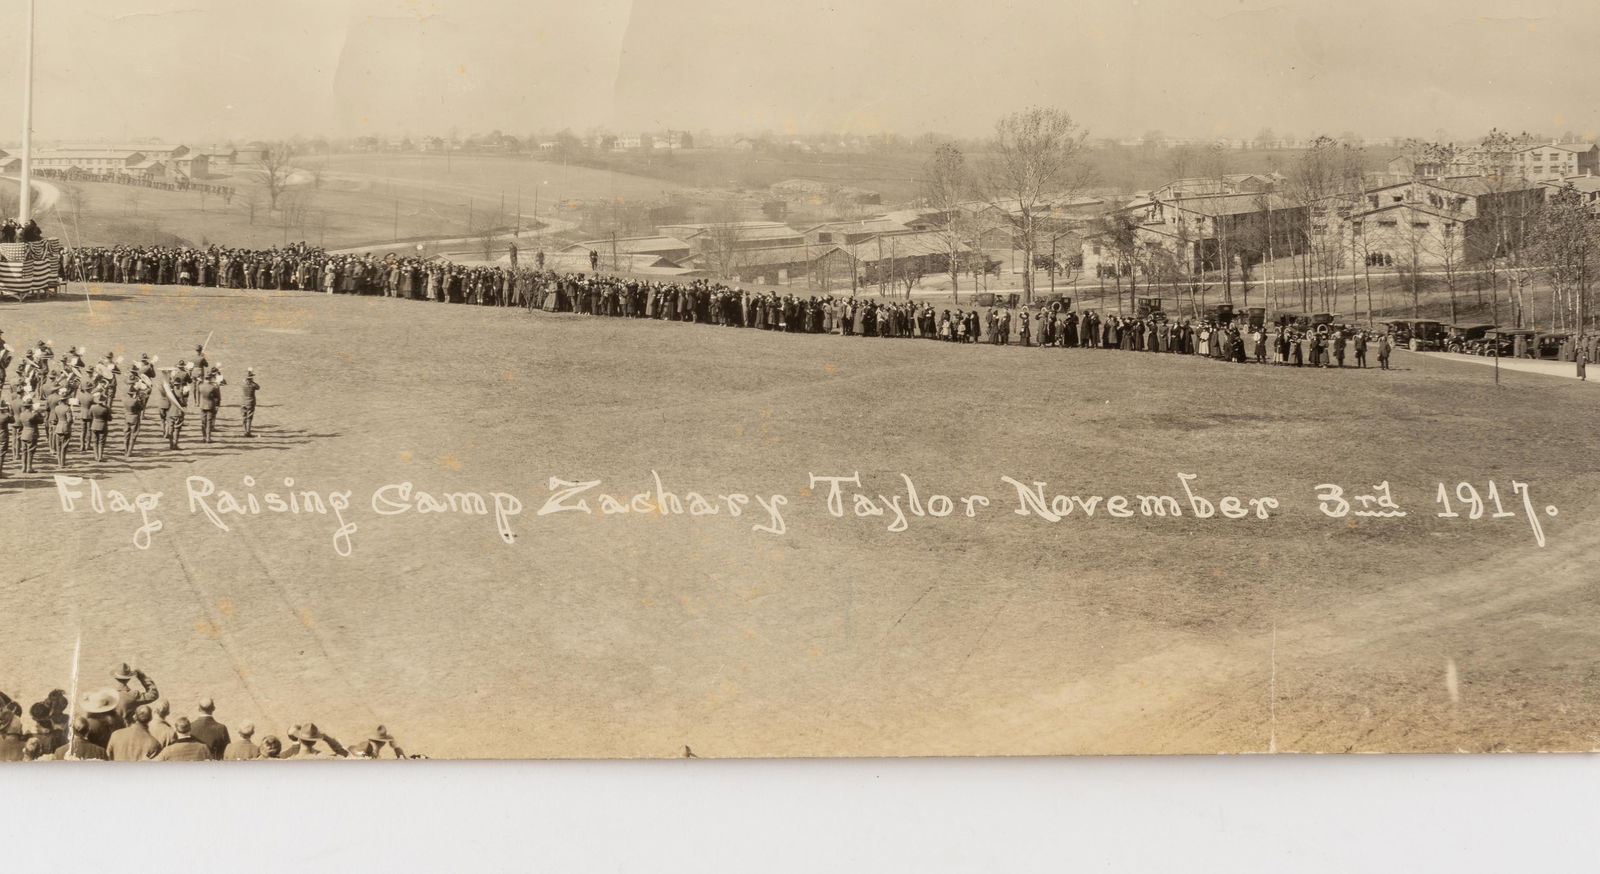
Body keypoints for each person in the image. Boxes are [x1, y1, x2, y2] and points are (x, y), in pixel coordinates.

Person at [239, 369, 259, 437]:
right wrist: (252, 381)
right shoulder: (253, 385)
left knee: (244, 417)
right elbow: (258, 387)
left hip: (243, 402)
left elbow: (244, 381)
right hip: (250, 402)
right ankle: (248, 432)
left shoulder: (243, 385)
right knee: (249, 418)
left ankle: (244, 430)